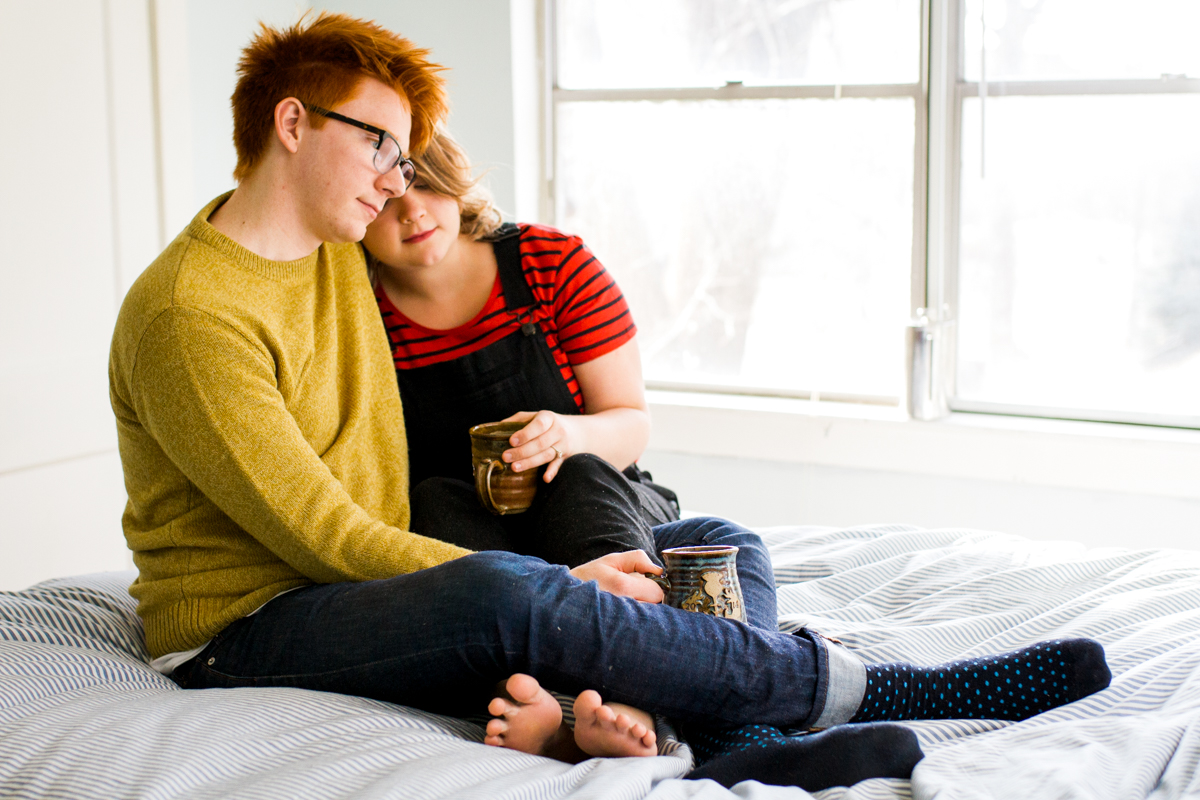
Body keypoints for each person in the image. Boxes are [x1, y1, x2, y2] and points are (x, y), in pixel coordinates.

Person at [108, 12, 1112, 793]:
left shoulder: (333, 249)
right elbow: (323, 533)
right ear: (292, 122)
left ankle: (736, 741)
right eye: (378, 144)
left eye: (407, 156)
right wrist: (568, 585)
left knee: (709, 540)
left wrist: (572, 561)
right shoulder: (192, 314)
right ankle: (848, 688)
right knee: (511, 593)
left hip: (358, 579)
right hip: (246, 621)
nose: (395, 181)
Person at [362, 130, 680, 570]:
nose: (413, 211)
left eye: (426, 183)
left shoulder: (553, 263)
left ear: (453, 179)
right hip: (475, 526)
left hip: (600, 499)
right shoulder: (361, 315)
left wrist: (567, 437)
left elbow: (633, 423)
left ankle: (630, 624)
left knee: (580, 474)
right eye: (384, 197)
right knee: (433, 499)